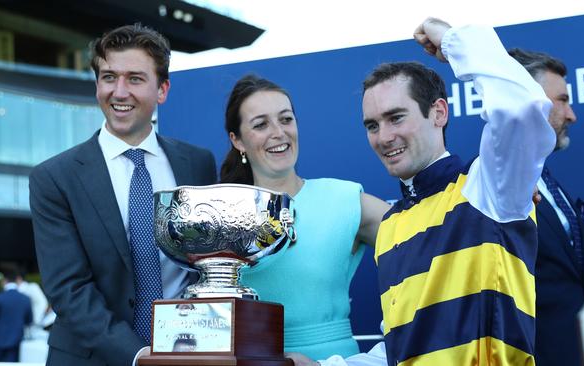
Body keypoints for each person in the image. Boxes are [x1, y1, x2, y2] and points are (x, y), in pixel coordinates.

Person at [360, 18, 555, 365]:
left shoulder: (488, 185)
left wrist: (452, 40)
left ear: (438, 112)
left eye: (396, 118)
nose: (383, 137)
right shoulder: (390, 226)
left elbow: (521, 108)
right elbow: (401, 346)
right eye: (373, 125)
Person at [29, 24, 217, 366]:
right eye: (108, 77)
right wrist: (139, 355)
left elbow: (207, 266)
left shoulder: (198, 164)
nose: (119, 91)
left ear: (162, 89)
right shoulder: (54, 178)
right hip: (89, 358)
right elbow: (68, 289)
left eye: (135, 78)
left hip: (186, 355)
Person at [219, 74, 390, 361]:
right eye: (261, 124)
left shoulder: (343, 199)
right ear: (237, 141)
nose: (278, 132)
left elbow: (426, 243)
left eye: (286, 119)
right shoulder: (220, 217)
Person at [509, 48, 584, 366]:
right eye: (562, 100)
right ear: (530, 102)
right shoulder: (491, 187)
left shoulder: (551, 183)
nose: (572, 115)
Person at [0, 271, 33, 362]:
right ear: (17, 280)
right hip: (16, 342)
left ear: (5, 281)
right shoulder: (26, 299)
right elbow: (29, 320)